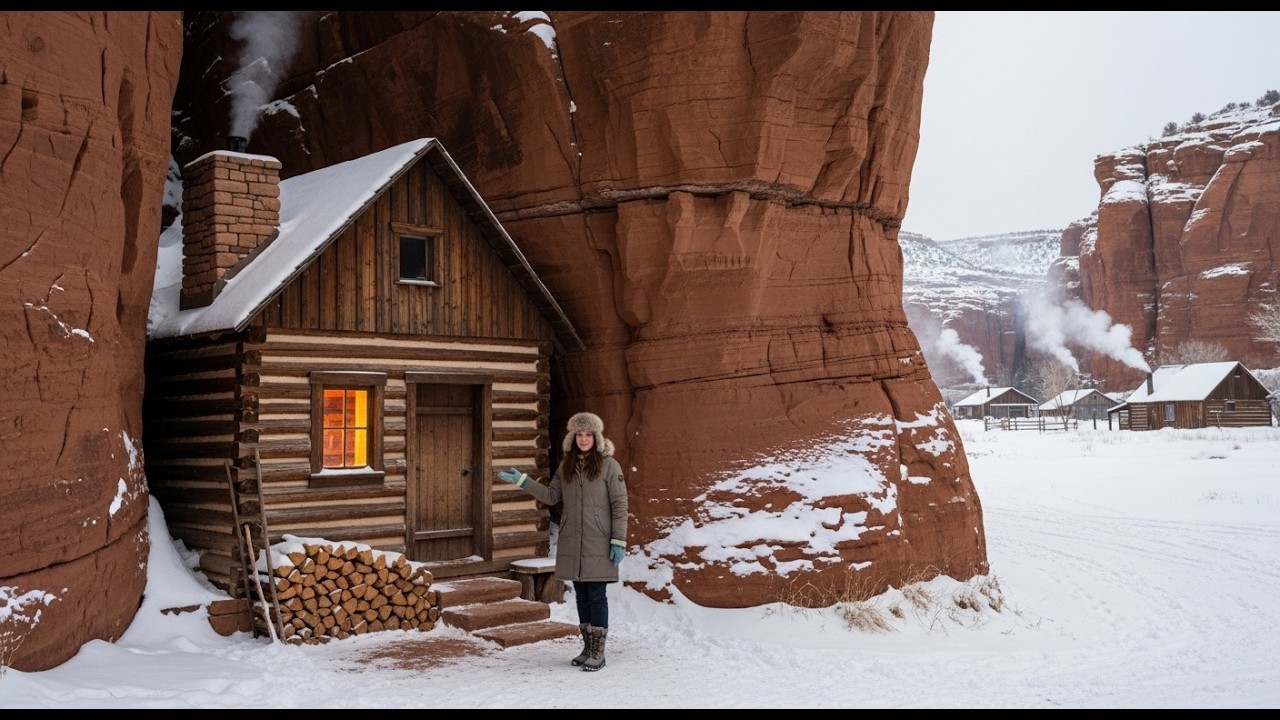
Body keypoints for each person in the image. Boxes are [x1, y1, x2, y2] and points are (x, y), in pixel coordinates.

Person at [498, 411, 628, 672]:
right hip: (572, 542)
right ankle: (587, 648)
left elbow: (620, 504)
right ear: (573, 437)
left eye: (588, 434)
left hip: (599, 542)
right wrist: (524, 481)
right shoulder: (566, 466)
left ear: (596, 437)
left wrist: (618, 541)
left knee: (596, 594)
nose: (583, 439)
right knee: (581, 594)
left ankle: (598, 652)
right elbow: (550, 495)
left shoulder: (609, 466)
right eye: (579, 434)